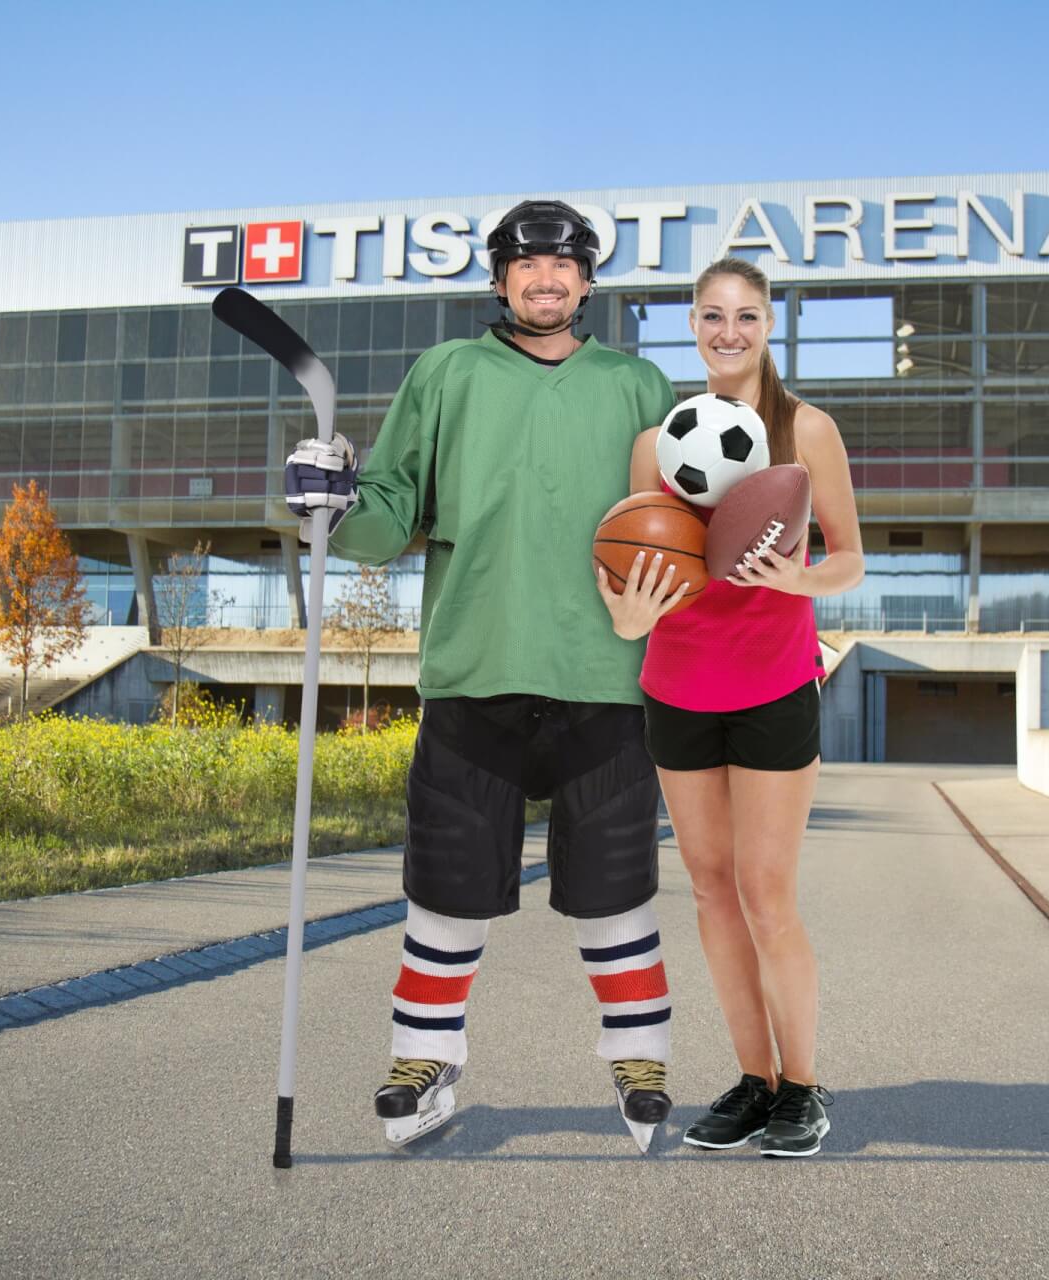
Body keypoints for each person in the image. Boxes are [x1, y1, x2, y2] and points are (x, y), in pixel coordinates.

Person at [286, 200, 679, 1150]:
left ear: (588, 281)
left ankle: (641, 1060)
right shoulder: (447, 373)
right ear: (500, 277)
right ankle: (423, 1059)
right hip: (473, 670)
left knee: (614, 893)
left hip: (608, 677)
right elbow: (390, 511)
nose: (546, 279)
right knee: (447, 894)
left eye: (564, 265)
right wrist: (331, 503)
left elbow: (681, 520)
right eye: (527, 263)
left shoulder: (640, 384)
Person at [595, 256, 864, 1158]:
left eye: (746, 316)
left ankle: (804, 1087)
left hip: (773, 684)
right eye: (712, 315)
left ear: (768, 327)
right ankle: (754, 1079)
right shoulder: (656, 441)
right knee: (710, 889)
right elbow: (627, 570)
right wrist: (625, 614)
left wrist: (803, 576)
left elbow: (850, 559)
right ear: (693, 325)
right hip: (676, 685)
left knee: (766, 893)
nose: (728, 331)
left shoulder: (807, 429)